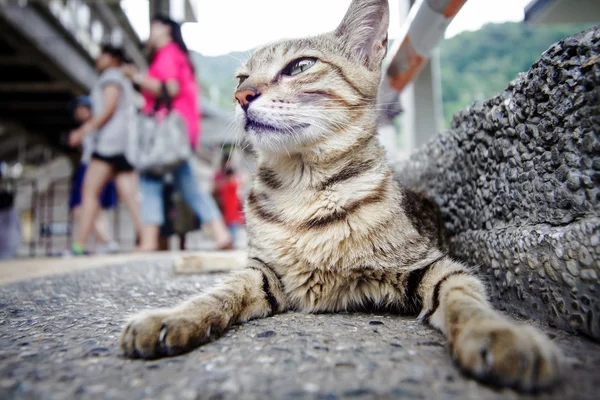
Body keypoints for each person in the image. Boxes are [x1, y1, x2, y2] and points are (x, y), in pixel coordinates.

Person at [123, 15, 232, 251]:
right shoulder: (177, 55)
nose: (150, 32)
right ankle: (221, 234)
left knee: (150, 179)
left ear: (165, 29)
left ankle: (149, 241)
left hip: (168, 133)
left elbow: (170, 88)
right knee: (188, 185)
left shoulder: (168, 54)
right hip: (181, 132)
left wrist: (137, 77)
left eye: (153, 27)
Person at [68, 45, 143, 255]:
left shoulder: (110, 77)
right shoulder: (123, 79)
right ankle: (148, 239)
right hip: (123, 145)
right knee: (129, 195)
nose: (98, 59)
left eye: (101, 55)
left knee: (89, 193)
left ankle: (79, 245)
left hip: (108, 144)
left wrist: (83, 131)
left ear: (112, 58)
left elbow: (108, 110)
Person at [67, 96, 119, 254]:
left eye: (84, 108)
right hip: (87, 166)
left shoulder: (97, 125)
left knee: (88, 207)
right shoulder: (88, 127)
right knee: (87, 209)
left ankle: (104, 241)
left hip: (95, 166)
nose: (80, 112)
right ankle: (102, 242)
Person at [213, 155, 244, 246]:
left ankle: (229, 241)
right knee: (230, 228)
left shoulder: (225, 185)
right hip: (227, 210)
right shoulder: (230, 184)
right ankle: (229, 242)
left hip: (229, 212)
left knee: (231, 227)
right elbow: (240, 182)